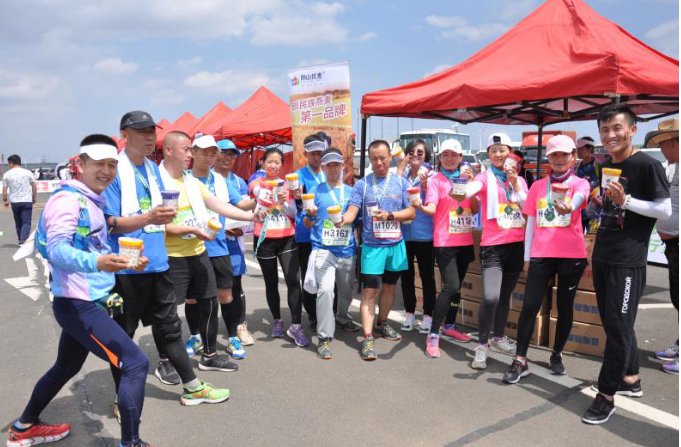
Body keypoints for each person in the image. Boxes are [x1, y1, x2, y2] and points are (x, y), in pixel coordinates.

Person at [7, 136, 154, 447]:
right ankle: (131, 443)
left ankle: (24, 427)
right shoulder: (68, 201)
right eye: (98, 164)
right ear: (81, 164)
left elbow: (93, 244)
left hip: (87, 301)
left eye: (112, 164)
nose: (106, 171)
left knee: (66, 367)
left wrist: (123, 260)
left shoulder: (91, 199)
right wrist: (98, 262)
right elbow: (57, 250)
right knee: (135, 363)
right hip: (78, 304)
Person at [103, 111, 230, 410]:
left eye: (152, 131)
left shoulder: (153, 170)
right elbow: (110, 222)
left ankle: (193, 387)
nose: (149, 137)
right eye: (141, 131)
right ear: (124, 135)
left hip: (159, 263)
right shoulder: (114, 171)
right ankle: (122, 398)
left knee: (172, 329)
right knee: (123, 336)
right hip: (127, 267)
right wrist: (148, 217)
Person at [582, 104, 671, 425]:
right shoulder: (608, 164)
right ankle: (630, 379)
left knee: (618, 329)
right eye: (605, 129)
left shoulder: (647, 165)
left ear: (632, 129)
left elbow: (665, 210)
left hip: (627, 261)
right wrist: (602, 201)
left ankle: (606, 396)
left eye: (617, 128)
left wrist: (626, 201)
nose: (611, 135)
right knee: (614, 325)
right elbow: (612, 209)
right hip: (604, 255)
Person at [159, 132, 262, 373]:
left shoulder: (193, 182)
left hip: (200, 250)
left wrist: (252, 216)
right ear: (169, 151)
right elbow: (158, 223)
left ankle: (210, 355)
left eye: (212, 153)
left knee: (210, 303)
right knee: (169, 311)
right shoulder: (158, 181)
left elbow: (221, 206)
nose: (190, 155)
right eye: (187, 150)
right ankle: (165, 361)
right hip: (173, 256)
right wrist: (191, 229)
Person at [502, 135, 590, 383]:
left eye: (564, 154)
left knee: (564, 307)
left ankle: (557, 354)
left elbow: (580, 197)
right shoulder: (539, 186)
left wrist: (570, 205)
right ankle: (520, 359)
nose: (559, 159)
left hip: (571, 255)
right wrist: (527, 257)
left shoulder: (580, 183)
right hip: (541, 254)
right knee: (530, 306)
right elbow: (530, 222)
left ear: (573, 157)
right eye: (554, 155)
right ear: (548, 159)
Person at [453, 132, 528, 369]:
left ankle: (498, 338)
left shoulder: (520, 179)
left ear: (510, 153)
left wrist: (515, 183)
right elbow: (465, 193)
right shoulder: (484, 178)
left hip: (516, 244)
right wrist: (462, 182)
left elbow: (527, 206)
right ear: (488, 155)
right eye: (493, 151)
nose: (498, 155)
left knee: (505, 297)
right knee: (490, 296)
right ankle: (482, 344)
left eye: (502, 150)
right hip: (493, 246)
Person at [338, 139, 415, 361]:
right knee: (369, 292)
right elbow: (352, 212)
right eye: (374, 159)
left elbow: (411, 212)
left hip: (396, 245)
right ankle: (368, 336)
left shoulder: (401, 182)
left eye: (383, 157)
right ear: (370, 161)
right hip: (372, 247)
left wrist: (390, 215)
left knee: (390, 288)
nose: (379, 162)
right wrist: (342, 220)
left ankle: (382, 323)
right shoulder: (362, 185)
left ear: (390, 157)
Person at [186, 135, 256, 360]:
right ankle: (195, 336)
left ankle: (233, 337)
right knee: (192, 298)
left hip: (218, 247)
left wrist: (261, 199)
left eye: (212, 154)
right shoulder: (183, 179)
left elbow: (241, 204)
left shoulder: (220, 181)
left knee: (226, 295)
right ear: (193, 152)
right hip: (190, 247)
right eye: (204, 153)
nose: (209, 158)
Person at [414, 139, 476, 358]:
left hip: (465, 241)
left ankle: (449, 325)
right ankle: (433, 333)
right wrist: (420, 206)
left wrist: (472, 185)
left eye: (454, 155)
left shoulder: (467, 180)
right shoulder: (436, 181)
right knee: (451, 286)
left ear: (461, 158)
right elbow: (431, 207)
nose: (449, 158)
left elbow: (475, 208)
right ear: (439, 158)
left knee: (457, 289)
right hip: (445, 242)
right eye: (445, 155)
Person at [302, 148, 359, 359]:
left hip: (346, 249)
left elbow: (358, 220)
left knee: (346, 290)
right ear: (323, 168)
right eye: (329, 166)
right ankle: (324, 336)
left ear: (343, 167)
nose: (333, 169)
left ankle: (342, 317)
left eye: (336, 165)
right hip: (323, 250)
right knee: (325, 290)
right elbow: (306, 223)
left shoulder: (352, 191)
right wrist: (310, 216)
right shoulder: (315, 191)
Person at [249, 148, 308, 347]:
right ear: (263, 163)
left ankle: (296, 325)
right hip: (264, 239)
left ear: (282, 165)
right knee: (271, 282)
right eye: (270, 161)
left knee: (293, 280)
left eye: (277, 162)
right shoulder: (256, 182)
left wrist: (284, 201)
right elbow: (257, 194)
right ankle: (277, 320)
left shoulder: (287, 184)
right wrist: (271, 194)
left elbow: (292, 212)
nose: (273, 165)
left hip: (286, 238)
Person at [214, 139, 255, 346]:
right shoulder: (205, 179)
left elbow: (246, 210)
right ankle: (205, 332)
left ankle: (240, 326)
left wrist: (242, 229)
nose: (228, 158)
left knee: (235, 285)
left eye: (232, 155)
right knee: (209, 288)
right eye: (225, 153)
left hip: (232, 242)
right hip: (209, 241)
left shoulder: (239, 182)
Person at [645, 119, 679, 375]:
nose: (662, 151)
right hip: (672, 243)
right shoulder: (675, 167)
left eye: (663, 145)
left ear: (672, 143)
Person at [395, 139, 437, 334]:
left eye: (420, 152)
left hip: (425, 234)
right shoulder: (402, 175)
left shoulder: (432, 175)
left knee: (427, 276)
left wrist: (426, 186)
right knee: (406, 275)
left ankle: (428, 314)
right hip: (404, 234)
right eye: (411, 152)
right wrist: (399, 169)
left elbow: (434, 202)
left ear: (426, 155)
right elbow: (394, 194)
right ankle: (409, 312)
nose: (415, 155)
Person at [292, 132, 330, 330]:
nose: (317, 157)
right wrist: (297, 194)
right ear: (306, 154)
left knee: (329, 275)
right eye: (313, 153)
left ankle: (329, 313)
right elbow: (295, 195)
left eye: (319, 153)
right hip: (306, 233)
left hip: (327, 232)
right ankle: (314, 316)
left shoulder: (329, 171)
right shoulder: (299, 175)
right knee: (310, 276)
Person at [2, 154, 37, 245]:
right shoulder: (28, 172)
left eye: (9, 163)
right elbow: (34, 186)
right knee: (26, 222)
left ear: (12, 163)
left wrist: (5, 200)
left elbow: (4, 190)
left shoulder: (7, 174)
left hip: (15, 201)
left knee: (18, 222)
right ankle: (23, 240)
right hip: (27, 200)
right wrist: (34, 198)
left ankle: (21, 240)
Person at [576, 136, 602, 232]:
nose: (578, 152)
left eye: (581, 149)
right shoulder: (577, 165)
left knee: (592, 236)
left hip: (593, 207)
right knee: (579, 235)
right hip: (579, 206)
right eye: (577, 149)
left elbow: (603, 184)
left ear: (590, 149)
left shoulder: (597, 165)